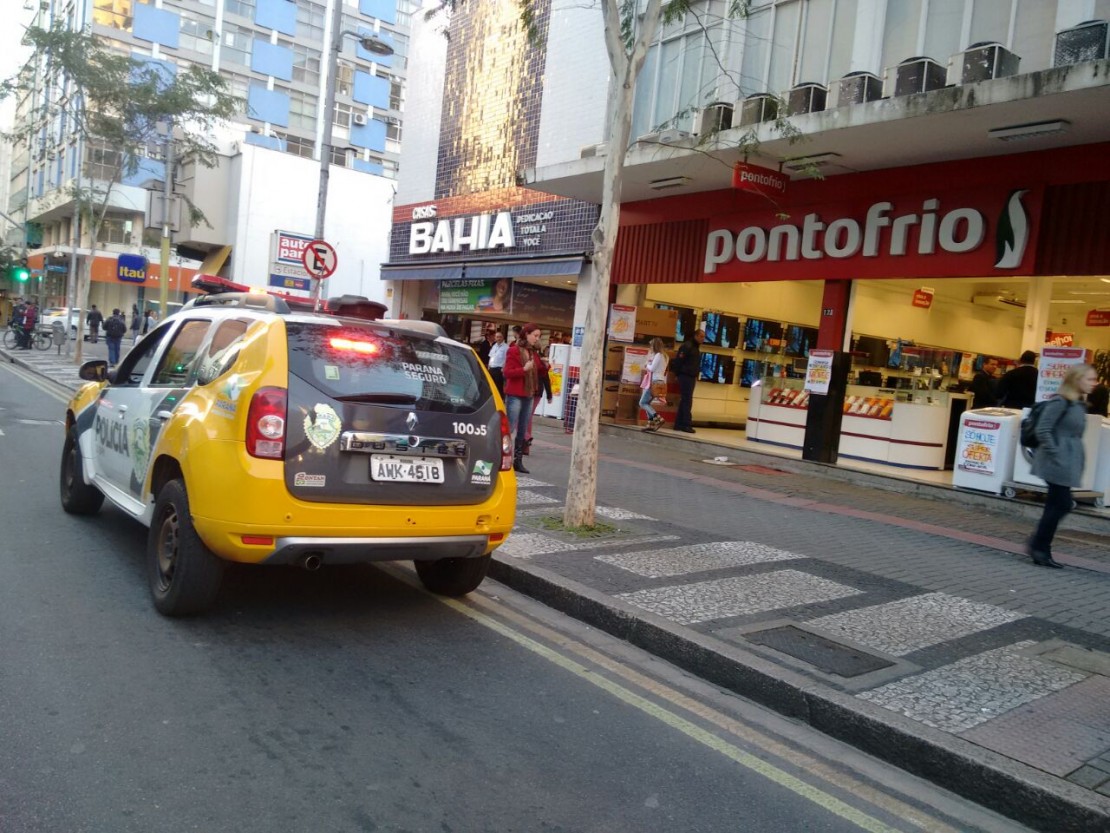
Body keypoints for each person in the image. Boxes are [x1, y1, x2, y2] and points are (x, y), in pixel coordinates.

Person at [1027, 363, 1099, 569]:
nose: (1094, 383)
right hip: (1056, 461)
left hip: (1066, 460)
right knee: (1062, 503)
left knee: (1056, 504)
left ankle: (1039, 546)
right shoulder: (1061, 402)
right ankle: (1039, 546)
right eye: (1090, 379)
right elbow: (1043, 429)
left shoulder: (1077, 404)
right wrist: (1056, 452)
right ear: (1076, 380)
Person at [503, 323, 541, 473]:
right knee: (510, 427)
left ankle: (518, 461)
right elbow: (507, 372)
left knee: (522, 429)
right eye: (535, 335)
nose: (537, 339)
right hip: (515, 394)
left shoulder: (532, 352)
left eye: (538, 336)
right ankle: (502, 456)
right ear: (526, 334)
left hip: (529, 394)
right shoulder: (513, 351)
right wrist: (523, 370)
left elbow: (539, 371)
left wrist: (545, 365)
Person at [670, 329, 704, 433]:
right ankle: (686, 424)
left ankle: (678, 424)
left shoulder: (695, 348)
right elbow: (679, 360)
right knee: (687, 400)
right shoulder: (688, 346)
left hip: (690, 376)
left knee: (685, 400)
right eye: (701, 336)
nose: (703, 339)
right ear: (696, 336)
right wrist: (677, 374)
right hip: (685, 376)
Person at [523, 345, 552, 455]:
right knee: (528, 416)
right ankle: (526, 444)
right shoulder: (540, 362)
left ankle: (526, 438)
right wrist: (549, 395)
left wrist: (549, 395)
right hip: (536, 391)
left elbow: (545, 378)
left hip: (531, 390)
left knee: (524, 416)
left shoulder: (533, 361)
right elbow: (546, 378)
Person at [639, 337, 669, 432]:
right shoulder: (665, 356)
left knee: (642, 403)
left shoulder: (658, 355)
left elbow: (652, 369)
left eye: (651, 345)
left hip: (654, 382)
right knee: (647, 403)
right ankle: (650, 424)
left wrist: (646, 365)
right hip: (661, 382)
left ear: (655, 346)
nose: (650, 347)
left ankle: (658, 418)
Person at [487, 329, 508, 397]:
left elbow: (507, 359)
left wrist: (503, 368)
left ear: (503, 338)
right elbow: (491, 356)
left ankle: (500, 400)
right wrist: (489, 365)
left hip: (499, 369)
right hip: (491, 368)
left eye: (500, 337)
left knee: (498, 386)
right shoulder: (494, 346)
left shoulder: (506, 347)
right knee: (490, 385)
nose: (498, 338)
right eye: (497, 337)